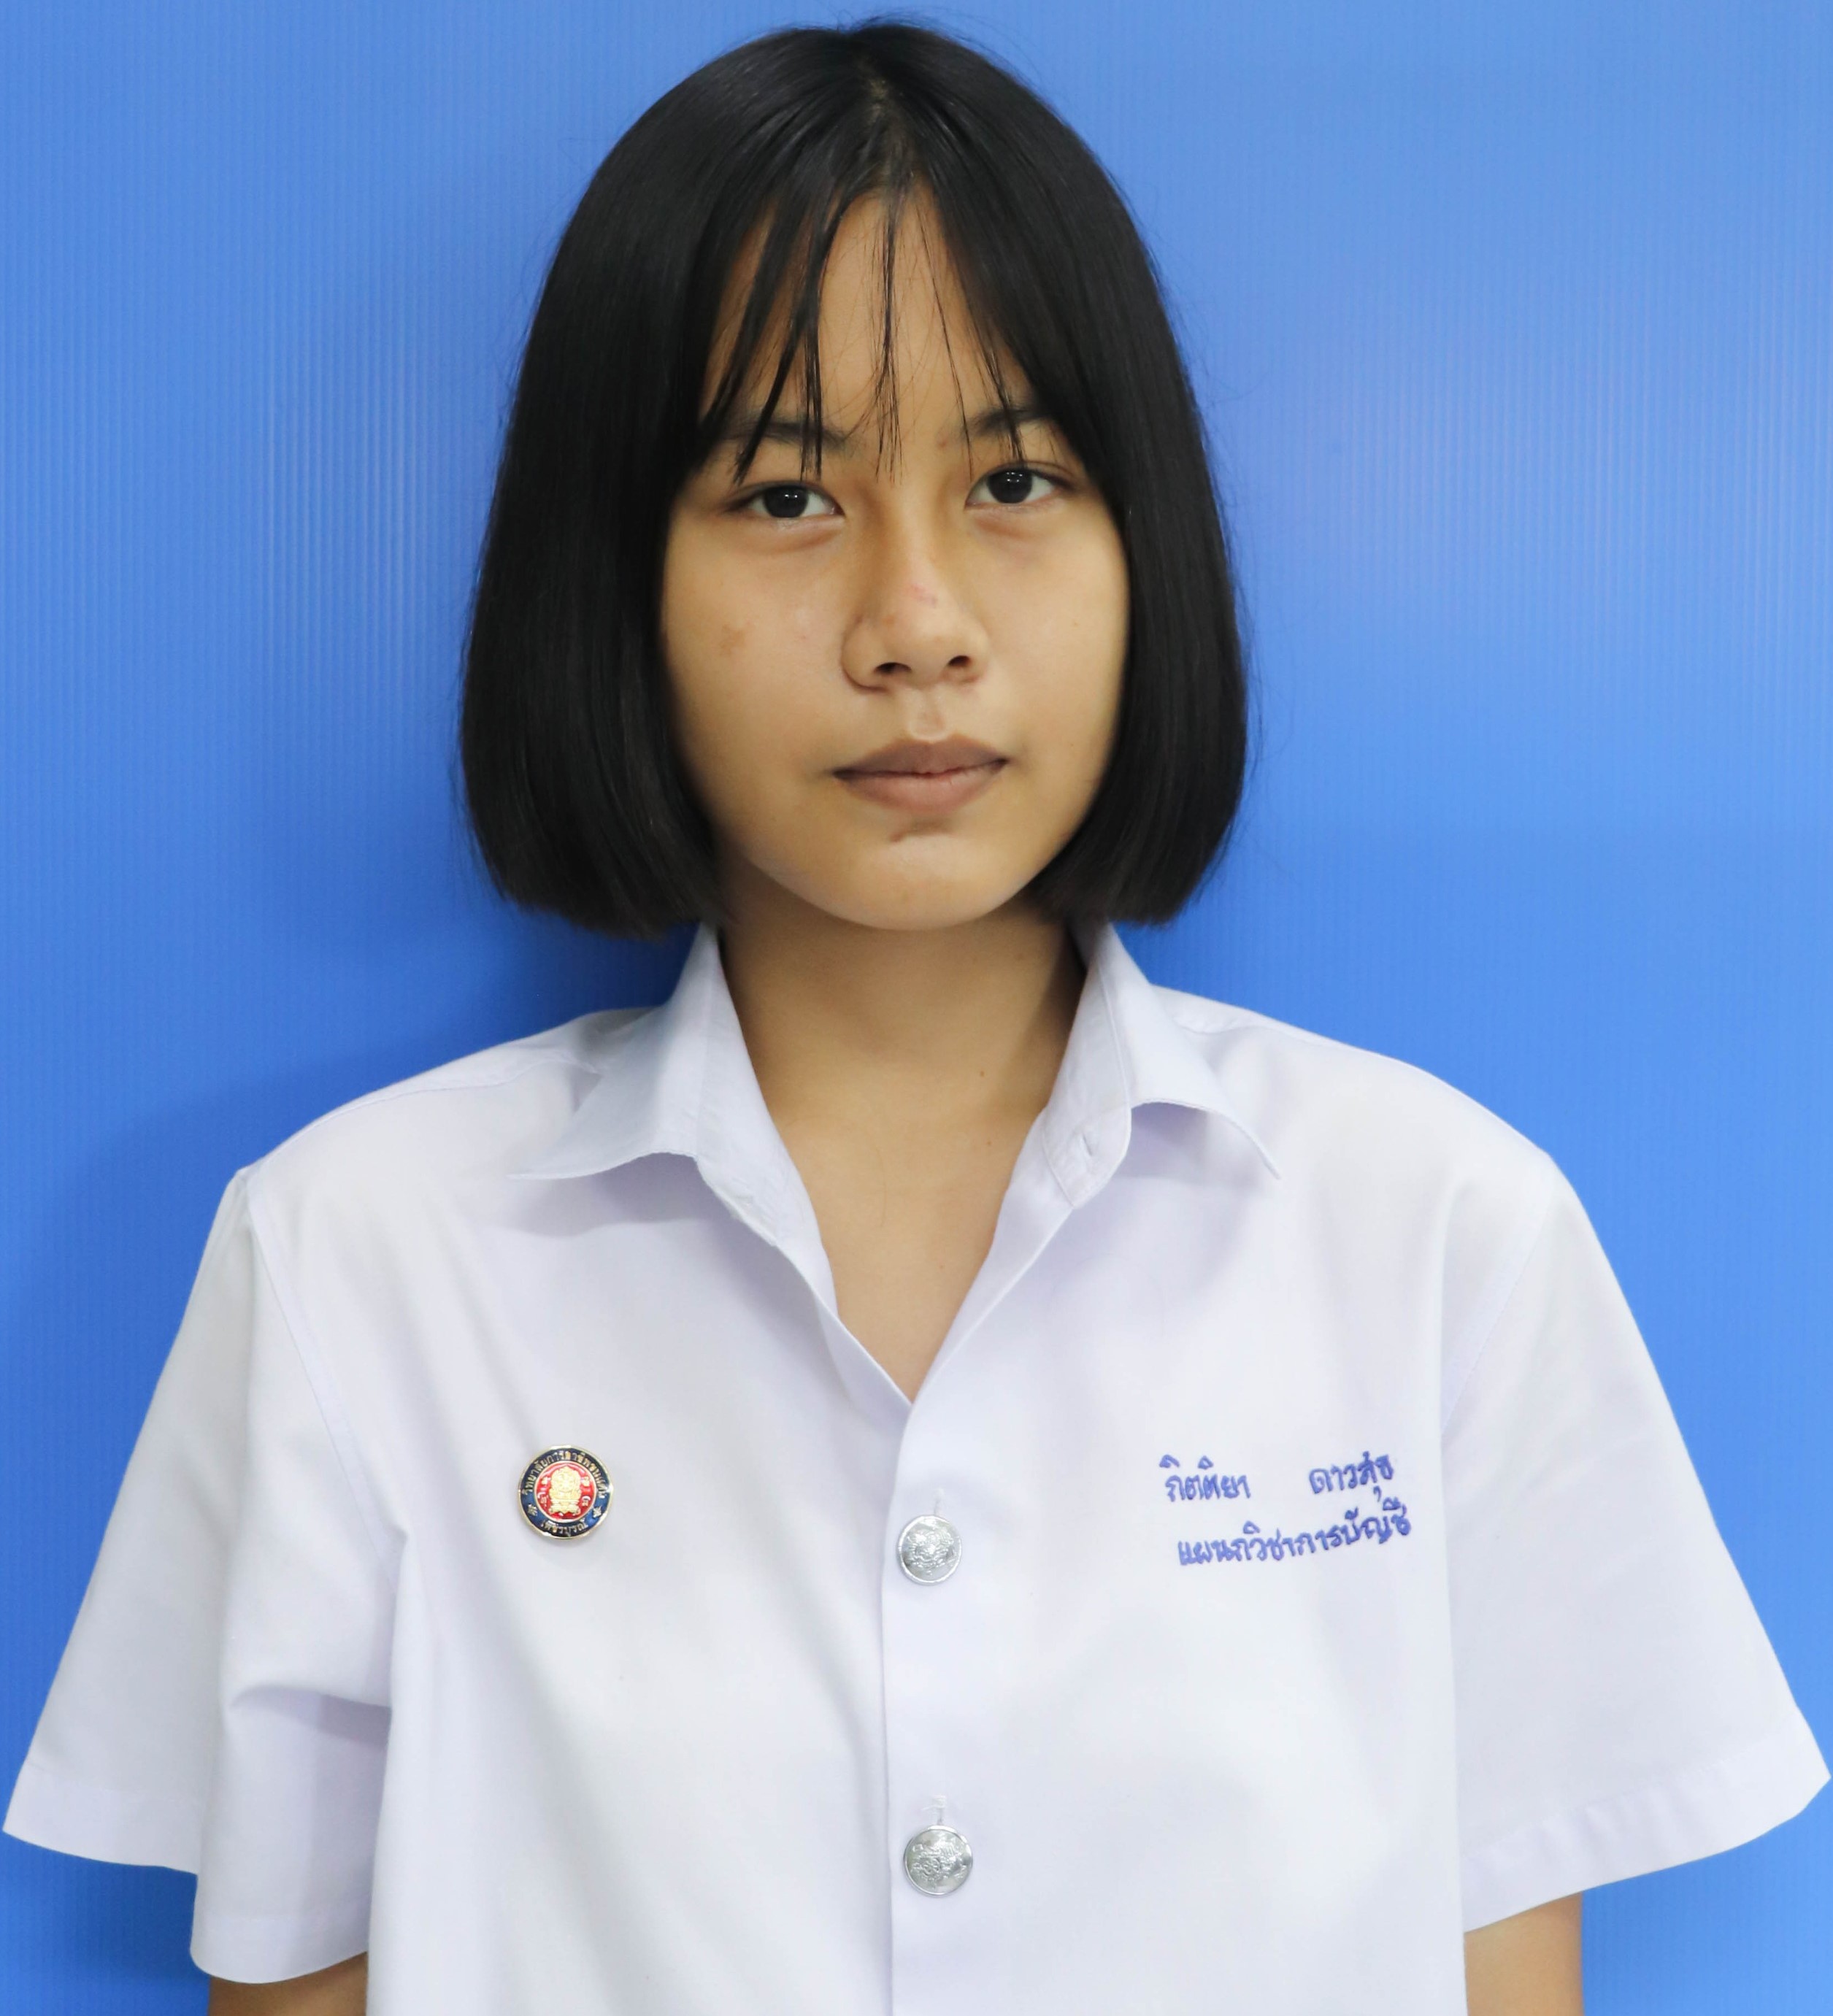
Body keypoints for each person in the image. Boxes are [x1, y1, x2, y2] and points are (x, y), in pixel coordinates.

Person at [6, 22, 1824, 2016]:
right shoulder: (362, 1258)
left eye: (1017, 479)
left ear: (1148, 552)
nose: (917, 624)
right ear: (614, 581)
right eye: (789, 493)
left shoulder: (1440, 1235)